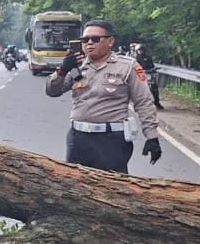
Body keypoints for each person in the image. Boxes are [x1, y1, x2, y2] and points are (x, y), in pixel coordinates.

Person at [45, 20, 162, 173]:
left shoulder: (127, 66)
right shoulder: (76, 65)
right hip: (78, 138)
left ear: (110, 41)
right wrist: (62, 70)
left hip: (111, 140)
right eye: (85, 40)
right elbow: (52, 91)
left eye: (95, 39)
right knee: (75, 188)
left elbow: (143, 102)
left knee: (114, 188)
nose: (89, 43)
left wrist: (152, 136)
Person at [132, 43, 163, 109]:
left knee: (154, 88)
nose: (140, 51)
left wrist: (153, 70)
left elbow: (152, 66)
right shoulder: (135, 58)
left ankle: (157, 102)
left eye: (141, 50)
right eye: (138, 50)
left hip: (149, 74)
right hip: (140, 74)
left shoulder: (148, 57)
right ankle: (139, 103)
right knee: (138, 89)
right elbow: (134, 67)